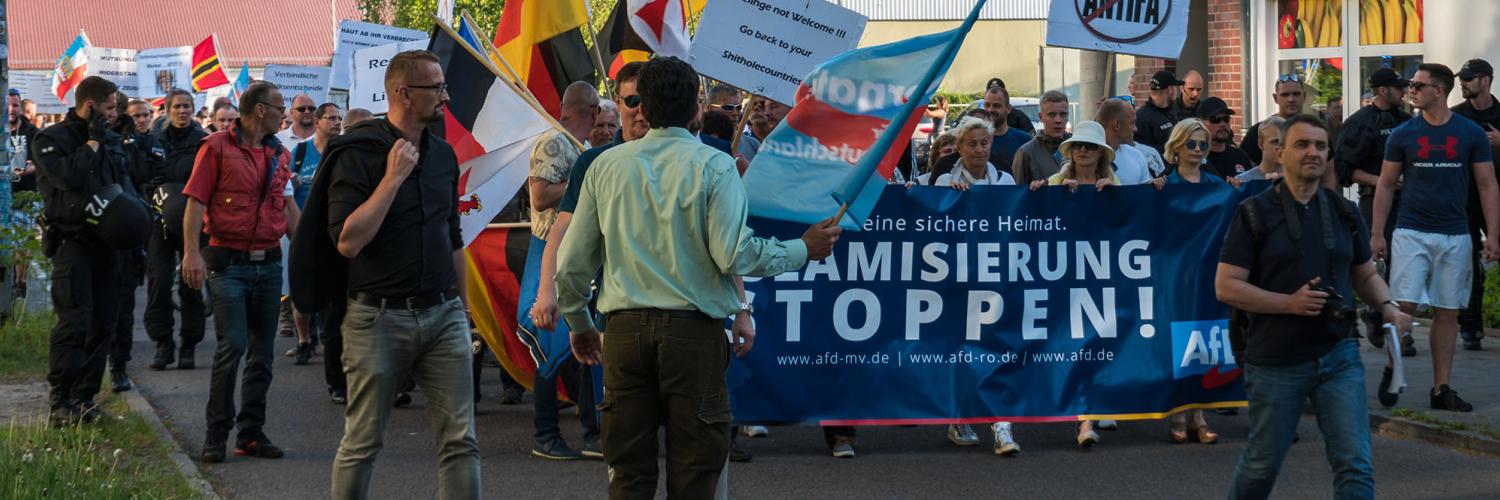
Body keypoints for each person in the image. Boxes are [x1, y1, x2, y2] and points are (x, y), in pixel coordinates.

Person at [556, 56, 840, 499]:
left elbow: (571, 265)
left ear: (643, 110)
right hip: (693, 338)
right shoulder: (715, 166)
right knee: (696, 475)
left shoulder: (605, 167)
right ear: (696, 110)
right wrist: (803, 247)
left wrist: (579, 324)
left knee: (628, 474)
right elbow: (735, 254)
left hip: (624, 334)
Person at [292, 50, 481, 498]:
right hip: (376, 319)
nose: (445, 97)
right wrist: (393, 178)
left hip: (443, 316)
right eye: (435, 88)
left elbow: (452, 236)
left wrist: (465, 313)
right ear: (402, 92)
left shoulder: (444, 156)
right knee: (362, 442)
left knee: (461, 442)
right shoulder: (357, 153)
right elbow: (348, 241)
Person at [1218, 114, 1408, 500]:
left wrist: (1388, 307)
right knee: (1262, 464)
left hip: (1338, 356)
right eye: (1303, 145)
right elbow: (1226, 286)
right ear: (1280, 152)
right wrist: (1288, 303)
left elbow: (1364, 275)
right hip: (1276, 360)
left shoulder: (1342, 210)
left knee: (1354, 463)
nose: (1313, 153)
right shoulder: (1254, 213)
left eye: (1321, 146)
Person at [182, 80, 300, 462]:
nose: (284, 113)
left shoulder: (279, 154)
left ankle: (251, 434)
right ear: (260, 109)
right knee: (233, 346)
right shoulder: (215, 148)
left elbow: (287, 206)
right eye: (280, 106)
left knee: (262, 354)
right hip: (227, 263)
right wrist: (190, 255)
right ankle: (216, 434)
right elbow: (196, 203)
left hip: (268, 264)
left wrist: (309, 249)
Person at [1371, 63, 1500, 412]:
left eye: (1418, 85)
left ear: (1439, 90)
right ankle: (1392, 368)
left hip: (1455, 234)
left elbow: (1488, 185)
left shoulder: (1470, 133)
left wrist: (1493, 235)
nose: (1411, 90)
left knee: (1448, 312)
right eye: (1411, 85)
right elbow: (1384, 185)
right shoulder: (1403, 134)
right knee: (1404, 306)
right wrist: (1377, 234)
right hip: (1411, 231)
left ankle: (1441, 388)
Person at [32, 76, 133, 425]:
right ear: (90, 106)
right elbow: (68, 178)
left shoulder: (109, 139)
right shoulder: (51, 138)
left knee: (104, 323)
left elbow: (122, 184)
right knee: (73, 322)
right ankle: (61, 401)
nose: (114, 114)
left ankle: (85, 397)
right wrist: (90, 143)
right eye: (108, 107)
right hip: (72, 242)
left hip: (108, 244)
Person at [525, 81, 603, 461]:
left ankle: (592, 432)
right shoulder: (555, 142)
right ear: (588, 110)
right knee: (550, 344)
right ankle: (545, 434)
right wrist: (585, 182)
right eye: (598, 112)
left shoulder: (581, 147)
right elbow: (540, 195)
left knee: (586, 345)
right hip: (550, 251)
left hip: (578, 253)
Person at [1337, 68, 1414, 354]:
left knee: (1404, 265)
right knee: (1376, 263)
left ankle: (1399, 330)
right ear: (1383, 90)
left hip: (1407, 202)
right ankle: (1377, 313)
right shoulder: (1359, 123)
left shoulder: (1405, 121)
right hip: (1373, 201)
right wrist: (1383, 181)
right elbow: (1344, 169)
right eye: (1398, 87)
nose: (1404, 91)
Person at [143, 89, 210, 371]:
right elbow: (141, 175)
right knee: (158, 281)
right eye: (177, 107)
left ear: (193, 110)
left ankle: (189, 345)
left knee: (190, 282)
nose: (182, 111)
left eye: (187, 106)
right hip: (159, 220)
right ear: (167, 111)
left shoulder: (204, 143)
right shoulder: (154, 141)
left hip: (193, 220)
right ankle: (163, 344)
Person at [107, 93, 160, 394]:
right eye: (107, 109)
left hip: (128, 230)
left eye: (114, 110)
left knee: (124, 308)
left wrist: (132, 143)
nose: (110, 114)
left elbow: (142, 175)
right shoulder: (85, 141)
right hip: (97, 234)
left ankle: (119, 366)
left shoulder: (133, 141)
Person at [282, 103, 343, 367]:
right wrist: (292, 182)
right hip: (305, 230)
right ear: (317, 122)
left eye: (340, 118)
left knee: (333, 291)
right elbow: (287, 191)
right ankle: (305, 340)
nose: (337, 122)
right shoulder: (301, 151)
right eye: (331, 118)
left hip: (335, 230)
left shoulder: (342, 149)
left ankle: (331, 339)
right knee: (302, 290)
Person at [1452, 58, 1500, 351]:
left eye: (1469, 78)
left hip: (1499, 199)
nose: (1463, 83)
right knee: (1466, 264)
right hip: (1465, 200)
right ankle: (1470, 327)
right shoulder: (1456, 117)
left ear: (1486, 80)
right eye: (1462, 78)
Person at [1034, 120, 1118, 192]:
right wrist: (1037, 191)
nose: (1083, 150)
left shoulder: (1113, 181)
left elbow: (1122, 209)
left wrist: (1113, 194)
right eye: (1077, 145)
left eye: (1090, 145)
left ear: (1101, 152)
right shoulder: (1056, 181)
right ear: (1071, 150)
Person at [936, 116, 1017, 188]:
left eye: (984, 143)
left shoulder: (1005, 181)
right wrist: (951, 196)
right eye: (972, 144)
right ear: (959, 148)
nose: (979, 150)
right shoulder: (945, 183)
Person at [1242, 76, 1308, 164]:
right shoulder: (1258, 132)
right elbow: (1246, 170)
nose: (1291, 99)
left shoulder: (1315, 131)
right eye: (1285, 95)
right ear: (1275, 98)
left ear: (1304, 96)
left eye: (1296, 94)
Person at [1011, 90, 1070, 186]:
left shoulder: (1077, 148)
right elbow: (1018, 195)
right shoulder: (1026, 153)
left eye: (1063, 114)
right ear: (1041, 117)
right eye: (1052, 115)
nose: (1058, 120)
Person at [1161, 118, 1236, 190]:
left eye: (1203, 145)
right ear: (1176, 146)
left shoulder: (1217, 183)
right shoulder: (1164, 185)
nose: (1198, 149)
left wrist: (1234, 190)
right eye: (1191, 144)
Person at [980, 81, 1034, 175]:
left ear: (1008, 109)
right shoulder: (975, 141)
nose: (990, 110)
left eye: (996, 106)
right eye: (987, 105)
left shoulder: (1024, 141)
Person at [1097, 98, 1156, 184]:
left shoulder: (1137, 156)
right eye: (1132, 123)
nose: (1135, 129)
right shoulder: (1085, 157)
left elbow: (1144, 195)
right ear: (1116, 124)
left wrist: (1153, 186)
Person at [1200, 97, 1256, 178]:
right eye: (1215, 119)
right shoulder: (1196, 156)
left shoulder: (1240, 156)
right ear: (1201, 123)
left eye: (1226, 119)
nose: (1223, 124)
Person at [1136, 70, 1184, 155]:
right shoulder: (1142, 117)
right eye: (1175, 87)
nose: (1177, 92)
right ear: (1170, 90)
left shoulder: (1172, 112)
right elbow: (1143, 151)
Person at [1236, 117, 1287, 182]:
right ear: (1261, 145)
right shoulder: (1243, 181)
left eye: (1285, 141)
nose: (1281, 146)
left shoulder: (1298, 179)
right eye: (1275, 142)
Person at [10, 89, 40, 194]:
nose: (11, 109)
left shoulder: (32, 132)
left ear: (20, 108)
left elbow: (44, 161)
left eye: (15, 105)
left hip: (26, 194)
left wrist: (32, 168)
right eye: (7, 104)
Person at [741, 96, 789, 162]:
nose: (756, 108)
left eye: (762, 104)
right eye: (753, 104)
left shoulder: (794, 143)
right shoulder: (740, 142)